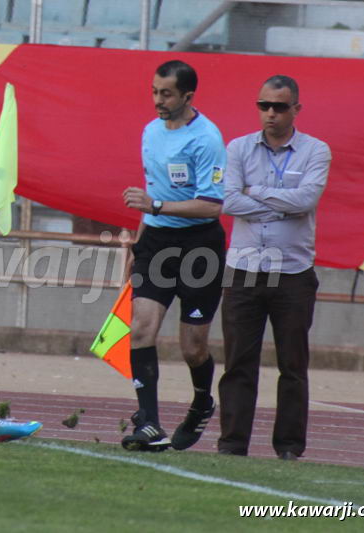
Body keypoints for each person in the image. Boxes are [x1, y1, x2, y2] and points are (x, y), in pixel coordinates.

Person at [217, 75, 330, 461]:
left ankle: (288, 447)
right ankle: (232, 444)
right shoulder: (238, 148)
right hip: (244, 269)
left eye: (279, 106)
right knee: (237, 363)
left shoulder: (316, 151)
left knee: (293, 366)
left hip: (293, 273)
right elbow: (229, 201)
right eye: (264, 105)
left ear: (296, 109)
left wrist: (256, 193)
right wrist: (282, 202)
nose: (270, 113)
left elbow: (307, 199)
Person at [120, 60, 226, 452]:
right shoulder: (150, 132)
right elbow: (152, 192)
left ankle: (201, 404)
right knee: (141, 328)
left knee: (192, 348)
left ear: (187, 96)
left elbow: (212, 206)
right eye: (154, 91)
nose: (157, 101)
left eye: (166, 94)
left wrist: (157, 205)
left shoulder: (207, 139)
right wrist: (138, 243)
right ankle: (149, 423)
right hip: (157, 243)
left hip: (200, 247)